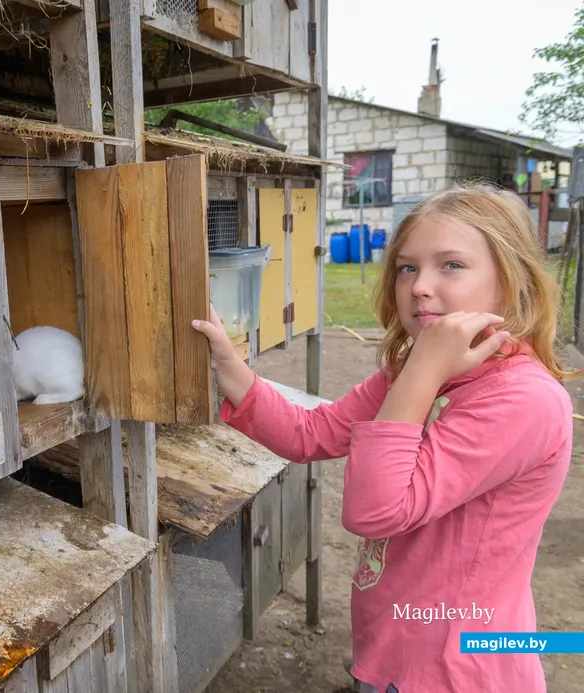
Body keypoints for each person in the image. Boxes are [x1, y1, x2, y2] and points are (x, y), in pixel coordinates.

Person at [192, 182, 575, 693]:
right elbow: (314, 432)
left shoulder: (522, 400)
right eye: (407, 267)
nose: (418, 285)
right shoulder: (412, 371)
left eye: (452, 265)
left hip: (453, 669)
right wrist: (229, 365)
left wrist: (424, 371)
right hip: (396, 641)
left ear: (513, 281)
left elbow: (376, 510)